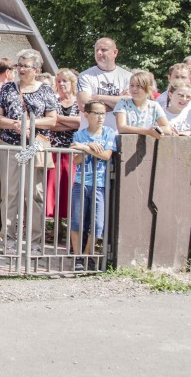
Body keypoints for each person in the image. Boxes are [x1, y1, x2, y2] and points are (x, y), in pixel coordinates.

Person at [0, 49, 57, 251]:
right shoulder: (7, 88)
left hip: (35, 146)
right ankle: (9, 239)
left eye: (25, 65)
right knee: (10, 193)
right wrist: (13, 123)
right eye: (19, 65)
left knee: (35, 194)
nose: (20, 69)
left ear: (36, 69)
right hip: (11, 144)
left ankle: (35, 241)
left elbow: (52, 119)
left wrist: (30, 123)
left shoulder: (45, 90)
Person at [69, 100, 117, 271]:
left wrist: (86, 148)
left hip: (100, 183)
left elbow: (106, 155)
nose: (100, 117)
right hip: (81, 182)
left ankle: (89, 254)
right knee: (76, 220)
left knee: (97, 224)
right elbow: (76, 160)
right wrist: (88, 145)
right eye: (96, 113)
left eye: (103, 113)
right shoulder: (79, 135)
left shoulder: (109, 133)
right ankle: (77, 256)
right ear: (87, 115)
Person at [47, 68, 80, 222]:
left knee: (71, 189)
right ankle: (56, 228)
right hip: (55, 151)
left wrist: (57, 118)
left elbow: (81, 123)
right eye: (58, 81)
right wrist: (70, 124)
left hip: (74, 152)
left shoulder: (79, 102)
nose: (61, 84)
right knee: (55, 191)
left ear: (72, 82)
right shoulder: (53, 100)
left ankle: (69, 228)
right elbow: (50, 125)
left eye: (65, 81)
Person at [77, 38, 131, 129]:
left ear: (115, 52)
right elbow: (84, 106)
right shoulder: (85, 76)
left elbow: (130, 104)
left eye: (103, 50)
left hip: (117, 134)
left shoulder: (128, 76)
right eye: (96, 50)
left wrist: (98, 98)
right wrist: (118, 103)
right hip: (90, 136)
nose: (99, 53)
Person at [113, 71, 172, 138]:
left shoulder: (154, 106)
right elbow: (122, 128)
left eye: (138, 86)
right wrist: (148, 131)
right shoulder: (123, 103)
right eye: (132, 85)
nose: (134, 89)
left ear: (149, 89)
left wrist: (155, 130)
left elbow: (167, 128)